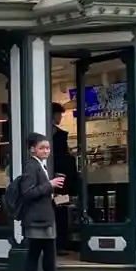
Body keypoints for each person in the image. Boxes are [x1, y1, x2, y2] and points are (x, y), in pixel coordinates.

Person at [19, 132, 76, 271]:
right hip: (37, 219)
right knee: (35, 254)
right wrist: (49, 185)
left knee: (49, 254)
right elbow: (27, 192)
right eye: (42, 148)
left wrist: (54, 193)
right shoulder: (31, 166)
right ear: (32, 150)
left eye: (48, 148)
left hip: (45, 217)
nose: (46, 151)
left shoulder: (41, 165)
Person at [51, 102, 78, 251]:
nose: (60, 117)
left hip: (54, 177)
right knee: (60, 207)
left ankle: (58, 242)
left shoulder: (49, 135)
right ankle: (61, 242)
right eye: (59, 115)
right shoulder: (60, 135)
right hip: (61, 178)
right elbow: (64, 155)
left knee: (56, 208)